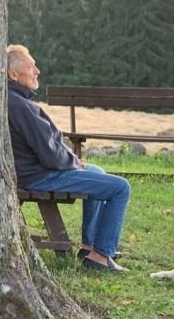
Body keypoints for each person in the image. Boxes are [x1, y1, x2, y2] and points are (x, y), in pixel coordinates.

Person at [7, 44, 131, 272]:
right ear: (13, 74)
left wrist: (74, 161)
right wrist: (75, 163)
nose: (37, 71)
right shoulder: (19, 105)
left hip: (36, 170)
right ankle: (102, 256)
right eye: (31, 66)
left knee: (97, 172)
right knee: (120, 188)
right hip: (39, 176)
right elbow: (50, 153)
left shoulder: (16, 100)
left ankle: (89, 246)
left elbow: (48, 148)